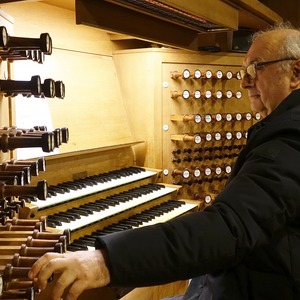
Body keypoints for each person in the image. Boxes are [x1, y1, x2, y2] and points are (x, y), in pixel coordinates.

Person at [28, 22, 300, 300]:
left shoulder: (291, 138)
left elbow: (229, 229)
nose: (244, 82)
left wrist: (104, 262)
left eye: (256, 67)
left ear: (296, 73)